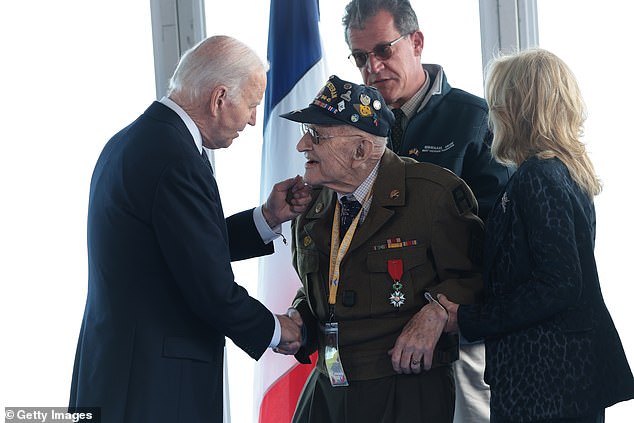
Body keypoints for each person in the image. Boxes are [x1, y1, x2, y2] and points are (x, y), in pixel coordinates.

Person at [68, 35, 310, 423]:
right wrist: (276, 330)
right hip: (153, 387)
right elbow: (209, 288)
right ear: (219, 99)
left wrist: (266, 217)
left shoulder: (135, 140)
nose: (251, 119)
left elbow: (183, 248)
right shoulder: (175, 158)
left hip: (120, 371)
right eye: (250, 105)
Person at [438, 48, 634, 423]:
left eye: (497, 103)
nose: (491, 117)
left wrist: (467, 318)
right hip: (563, 377)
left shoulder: (537, 177)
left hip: (544, 381)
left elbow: (559, 284)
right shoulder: (568, 172)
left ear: (519, 108)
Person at [275, 75, 484, 423]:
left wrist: (437, 312)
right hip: (329, 383)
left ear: (361, 151)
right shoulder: (311, 206)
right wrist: (301, 316)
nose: (302, 147)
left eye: (317, 136)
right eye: (305, 134)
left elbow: (476, 278)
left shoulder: (432, 196)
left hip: (403, 390)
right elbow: (325, 285)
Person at [342, 2, 512, 420]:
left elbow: (498, 239)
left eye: (384, 50)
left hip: (455, 342)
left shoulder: (475, 119)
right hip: (378, 350)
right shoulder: (354, 129)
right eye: (361, 57)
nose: (372, 68)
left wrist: (441, 309)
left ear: (416, 42)